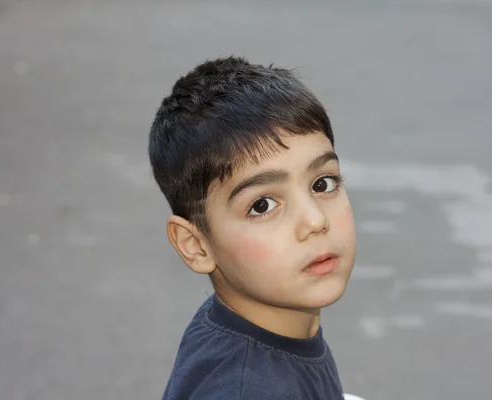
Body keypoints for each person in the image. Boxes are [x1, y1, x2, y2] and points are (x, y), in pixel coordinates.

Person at [149, 56, 358, 400]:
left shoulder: (242, 323)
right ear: (196, 245)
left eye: (322, 183)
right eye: (262, 205)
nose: (315, 221)